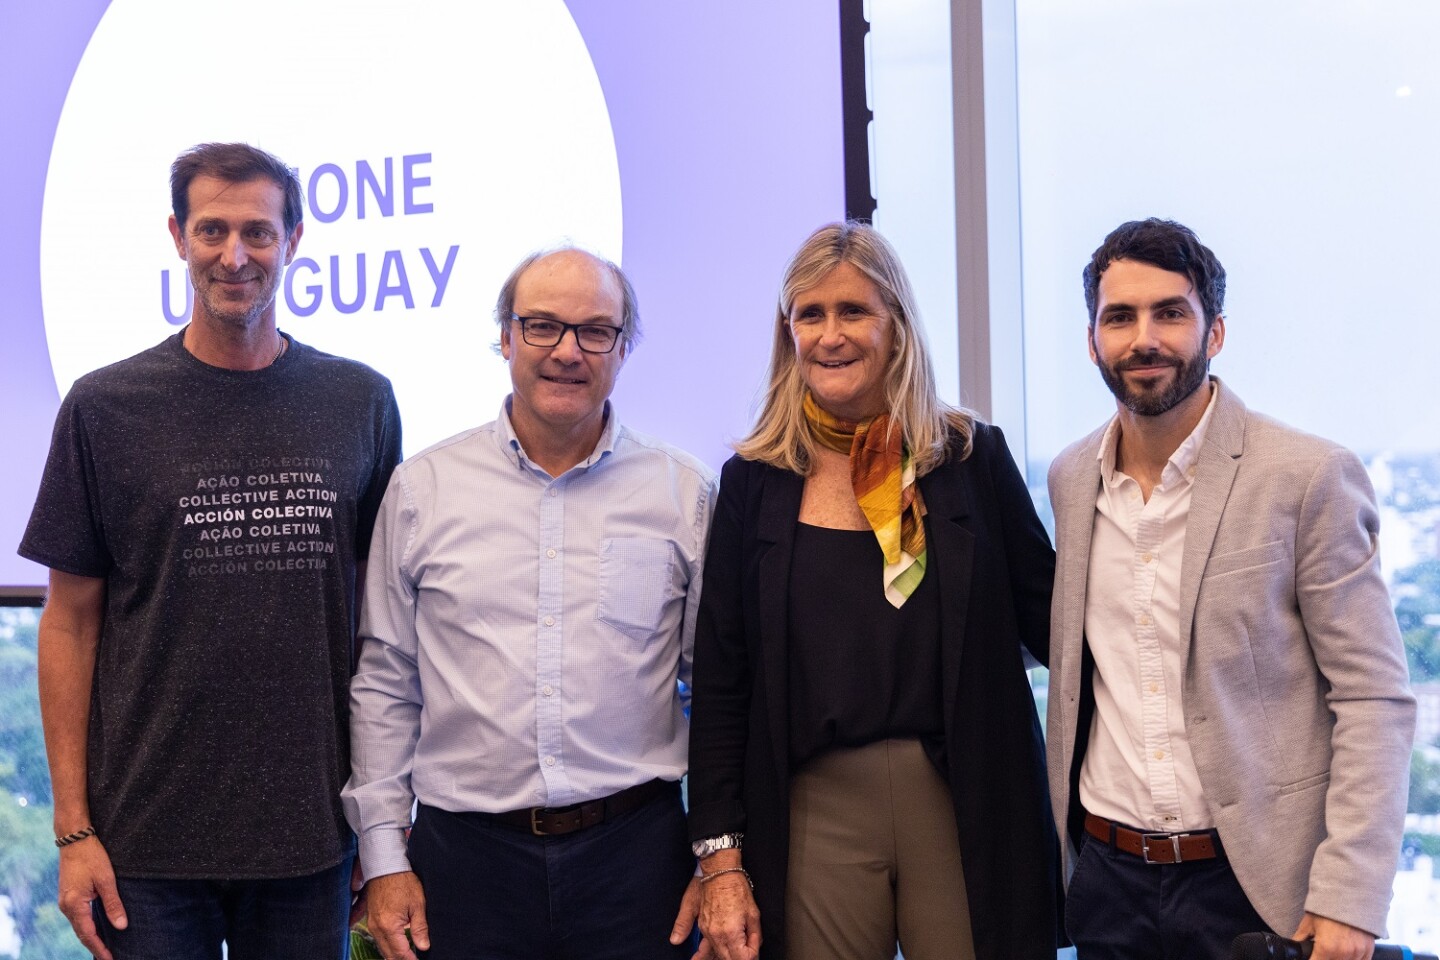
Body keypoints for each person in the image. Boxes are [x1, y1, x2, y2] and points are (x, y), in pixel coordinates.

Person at [20, 142, 403, 960]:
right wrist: (71, 830)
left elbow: (384, 630)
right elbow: (70, 625)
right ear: (177, 236)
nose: (235, 256)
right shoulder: (103, 408)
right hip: (143, 847)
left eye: (258, 233)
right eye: (212, 231)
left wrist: (383, 828)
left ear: (294, 241)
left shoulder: (360, 402)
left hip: (311, 839)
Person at [686, 221, 1060, 960]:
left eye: (854, 311)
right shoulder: (752, 483)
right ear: (787, 331)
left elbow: (1055, 624)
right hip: (812, 809)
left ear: (896, 325)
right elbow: (724, 684)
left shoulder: (969, 458)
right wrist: (720, 859)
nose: (831, 335)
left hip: (963, 799)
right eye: (810, 314)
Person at [1046, 218, 1416, 960]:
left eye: (1170, 313)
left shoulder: (1306, 476)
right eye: (1119, 317)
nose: (1143, 338)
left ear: (1214, 333)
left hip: (1255, 886)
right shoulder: (1070, 477)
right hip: (1107, 882)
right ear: (1093, 341)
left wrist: (1349, 898)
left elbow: (1374, 698)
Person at [342, 246, 717, 960]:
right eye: (542, 326)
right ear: (506, 337)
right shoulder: (424, 490)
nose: (567, 352)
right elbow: (386, 684)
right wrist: (386, 860)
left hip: (638, 861)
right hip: (465, 863)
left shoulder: (683, 495)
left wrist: (717, 859)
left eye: (595, 331)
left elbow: (720, 693)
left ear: (623, 348)